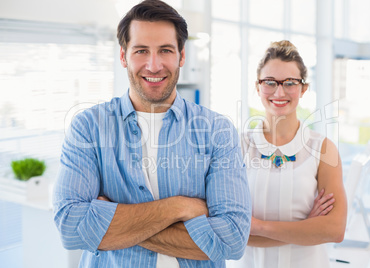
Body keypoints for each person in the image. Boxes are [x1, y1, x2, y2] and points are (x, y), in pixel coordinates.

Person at [52, 0, 251, 267]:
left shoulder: (217, 130)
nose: (154, 65)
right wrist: (179, 208)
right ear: (123, 56)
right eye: (141, 50)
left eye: (165, 50)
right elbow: (71, 228)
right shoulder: (88, 127)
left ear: (182, 56)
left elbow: (232, 240)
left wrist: (111, 221)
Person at [227, 40, 347, 268]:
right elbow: (227, 232)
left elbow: (334, 230)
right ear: (258, 86)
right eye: (269, 82)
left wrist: (258, 226)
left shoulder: (323, 149)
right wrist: (305, 229)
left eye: (290, 83)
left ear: (303, 88)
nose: (279, 92)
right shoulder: (237, 146)